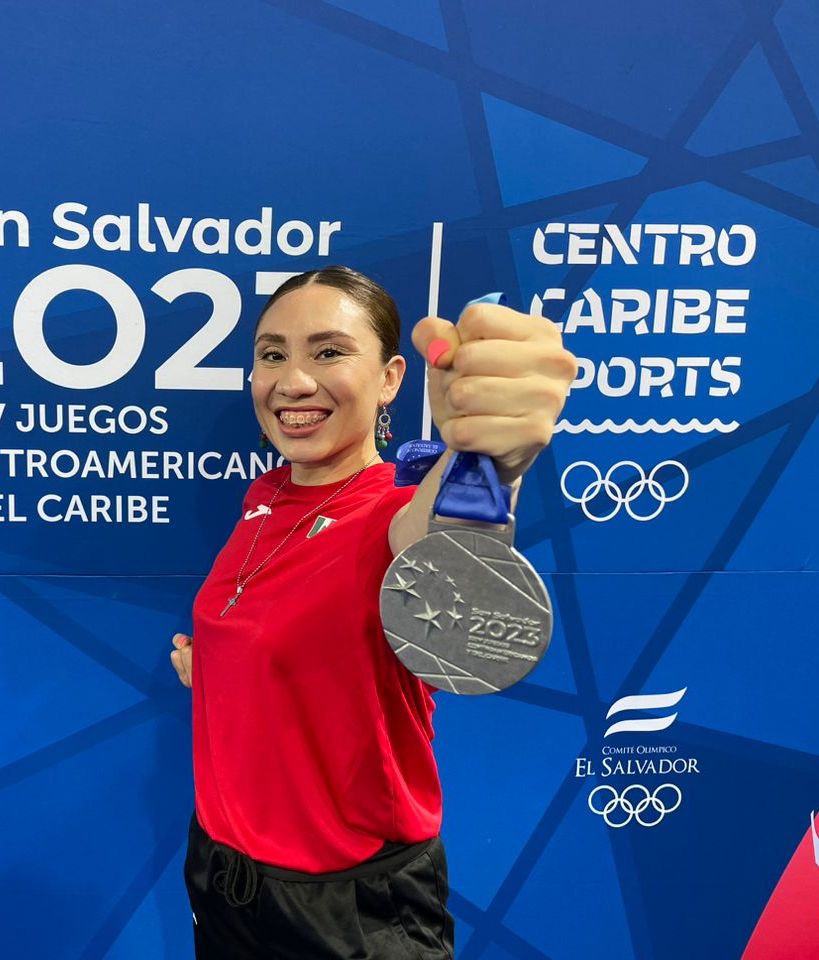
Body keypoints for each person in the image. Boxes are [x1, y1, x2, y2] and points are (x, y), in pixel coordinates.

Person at [169, 266, 577, 959]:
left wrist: (485, 461)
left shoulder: (396, 510)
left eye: (329, 352)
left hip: (352, 910)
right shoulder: (266, 497)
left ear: (390, 378)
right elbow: (298, 639)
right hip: (222, 875)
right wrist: (212, 664)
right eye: (273, 354)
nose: (293, 381)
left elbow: (450, 549)